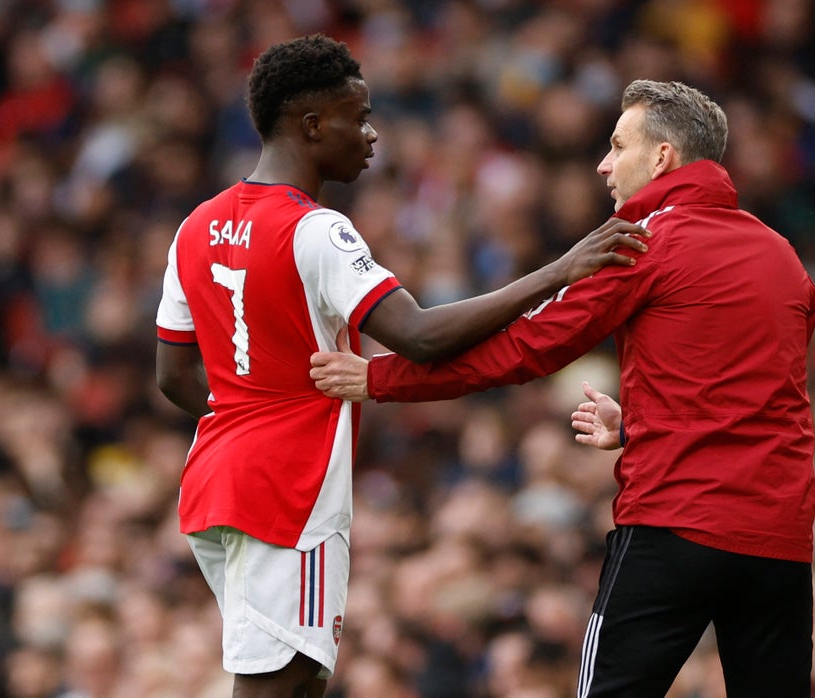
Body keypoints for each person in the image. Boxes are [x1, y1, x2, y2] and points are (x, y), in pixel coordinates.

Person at [154, 34, 648, 698]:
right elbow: (419, 336)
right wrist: (559, 271)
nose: (371, 135)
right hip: (288, 491)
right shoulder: (315, 229)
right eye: (357, 118)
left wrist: (244, 420)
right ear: (311, 125)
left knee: (297, 681)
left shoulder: (195, 225)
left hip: (216, 479)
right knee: (276, 683)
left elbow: (172, 375)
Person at [310, 79, 815, 697]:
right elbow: (752, 391)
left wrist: (380, 378)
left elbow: (526, 347)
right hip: (779, 540)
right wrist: (639, 424)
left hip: (673, 521)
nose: (604, 164)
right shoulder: (783, 256)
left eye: (618, 145)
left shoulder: (644, 242)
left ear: (662, 157)